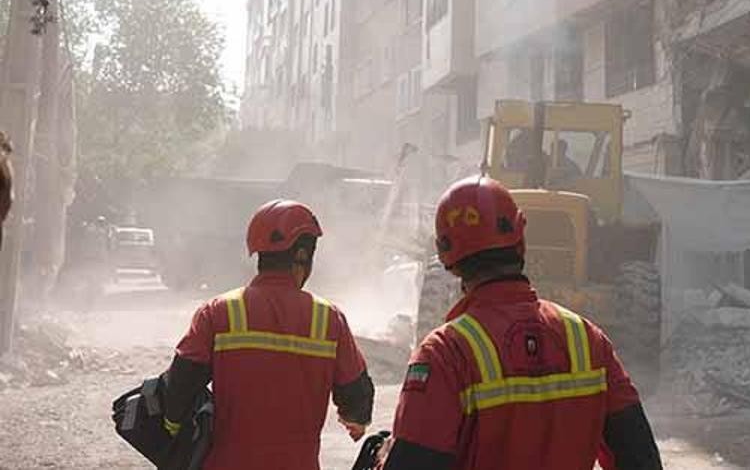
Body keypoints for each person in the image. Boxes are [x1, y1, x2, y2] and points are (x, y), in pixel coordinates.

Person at [379, 176, 662, 470]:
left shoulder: (445, 354)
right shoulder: (589, 341)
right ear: (521, 241)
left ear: (447, 259)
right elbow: (642, 461)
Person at [163, 199, 374, 470]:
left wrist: (172, 428)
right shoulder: (329, 319)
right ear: (302, 255)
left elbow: (180, 386)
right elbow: (357, 399)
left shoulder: (218, 312)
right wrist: (355, 421)